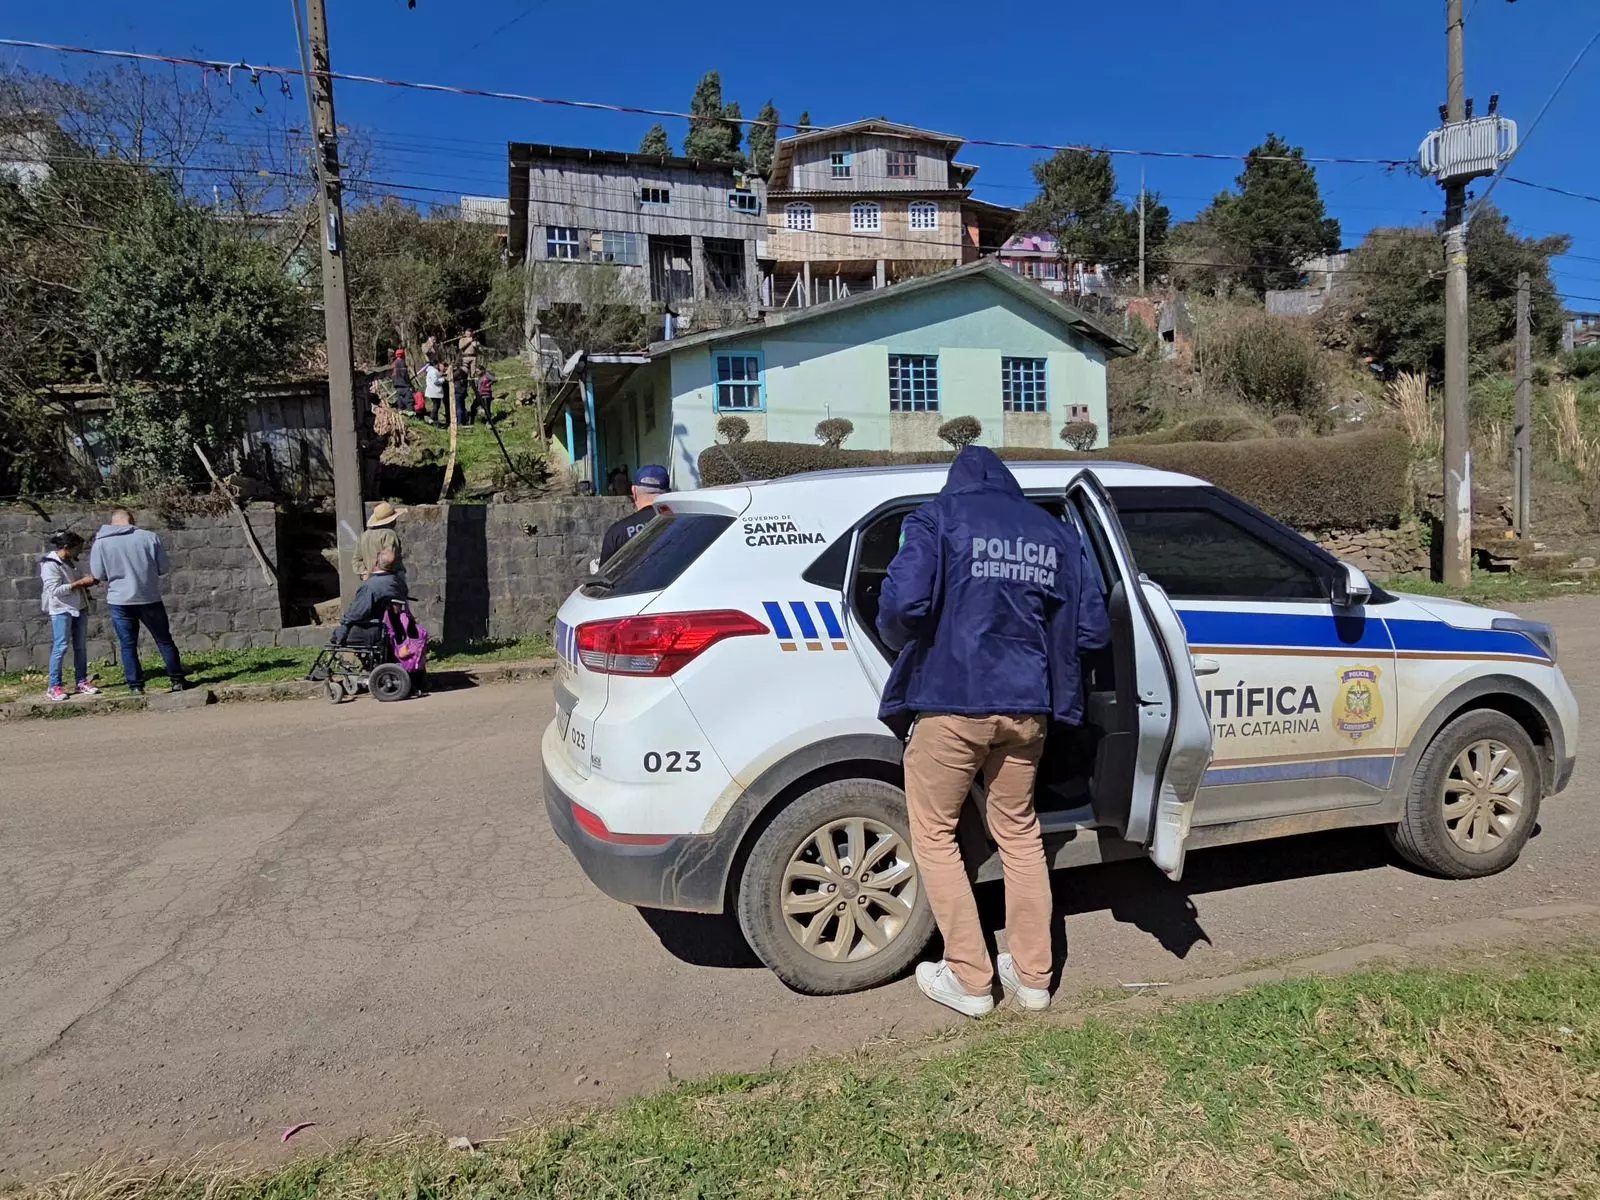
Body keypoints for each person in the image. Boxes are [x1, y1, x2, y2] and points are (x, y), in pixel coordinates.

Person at [876, 446, 1109, 1019]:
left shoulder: (936, 518)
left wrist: (900, 641)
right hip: (1029, 708)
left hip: (952, 700)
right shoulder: (1053, 532)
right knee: (1021, 835)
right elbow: (1093, 628)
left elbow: (904, 602)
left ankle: (971, 980)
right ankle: (1034, 980)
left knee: (935, 835)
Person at [89, 507, 191, 694]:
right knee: (164, 640)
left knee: (128, 645)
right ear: (132, 519)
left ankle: (136, 686)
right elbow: (163, 568)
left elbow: (98, 574)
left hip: (119, 600)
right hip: (148, 597)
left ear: (112, 522)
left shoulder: (101, 542)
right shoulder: (149, 537)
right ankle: (178, 680)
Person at [39, 530, 100, 702]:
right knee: (61, 647)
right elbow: (54, 590)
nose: (79, 552)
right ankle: (53, 686)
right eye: (77, 548)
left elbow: (77, 579)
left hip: (79, 607)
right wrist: (80, 583)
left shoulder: (71, 562)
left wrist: (88, 580)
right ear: (66, 547)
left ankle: (81, 681)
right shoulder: (50, 564)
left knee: (80, 646)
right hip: (61, 609)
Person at [597, 464, 668, 566]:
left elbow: (603, 578)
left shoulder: (617, 532)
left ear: (634, 491)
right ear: (668, 491)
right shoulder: (681, 525)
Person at [355, 502, 405, 583]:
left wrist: (364, 573)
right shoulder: (389, 534)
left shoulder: (364, 536)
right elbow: (390, 559)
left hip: (369, 580)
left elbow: (356, 559)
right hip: (389, 579)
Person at [423, 358, 447, 425]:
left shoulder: (431, 371)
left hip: (432, 390)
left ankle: (434, 418)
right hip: (434, 391)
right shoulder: (433, 371)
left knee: (436, 405)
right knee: (436, 405)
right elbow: (435, 381)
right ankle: (433, 418)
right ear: (436, 365)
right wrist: (443, 379)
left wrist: (441, 375)